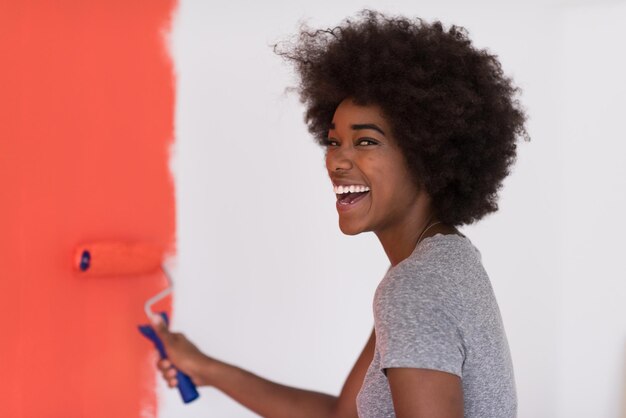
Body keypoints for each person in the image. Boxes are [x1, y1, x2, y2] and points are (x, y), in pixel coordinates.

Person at [152, 10, 527, 417]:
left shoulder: (414, 286)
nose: (337, 162)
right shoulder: (442, 263)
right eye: (334, 142)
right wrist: (205, 368)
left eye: (365, 142)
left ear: (427, 155)